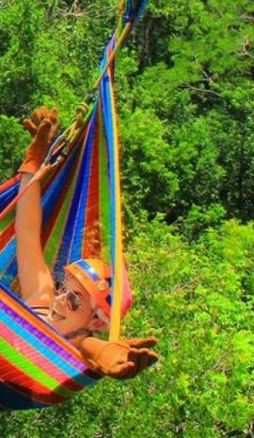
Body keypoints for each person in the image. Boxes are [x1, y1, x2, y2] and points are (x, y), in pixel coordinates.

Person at [14, 105, 159, 380]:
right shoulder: (40, 301)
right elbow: (27, 232)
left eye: (74, 301)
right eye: (63, 289)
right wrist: (33, 164)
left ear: (95, 321)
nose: (59, 300)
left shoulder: (75, 347)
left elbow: (92, 348)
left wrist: (107, 353)